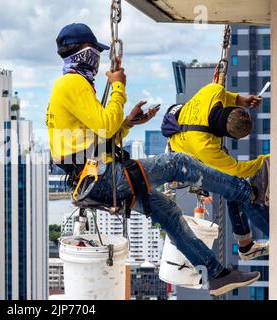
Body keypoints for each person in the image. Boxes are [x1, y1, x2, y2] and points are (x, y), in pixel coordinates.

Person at [46, 23, 264, 296]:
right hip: (101, 177)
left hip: (94, 178)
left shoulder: (70, 84)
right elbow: (105, 124)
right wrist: (117, 87)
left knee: (169, 214)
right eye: (97, 53)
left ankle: (216, 274)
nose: (100, 59)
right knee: (178, 164)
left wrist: (127, 124)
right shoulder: (73, 83)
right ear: (87, 53)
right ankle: (249, 193)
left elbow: (98, 137)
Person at [165, 82, 270, 260]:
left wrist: (241, 100)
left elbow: (226, 96)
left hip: (186, 136)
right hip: (184, 164)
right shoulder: (205, 146)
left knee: (234, 191)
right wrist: (265, 160)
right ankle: (269, 230)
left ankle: (246, 246)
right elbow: (239, 170)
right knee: (240, 190)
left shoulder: (215, 90)